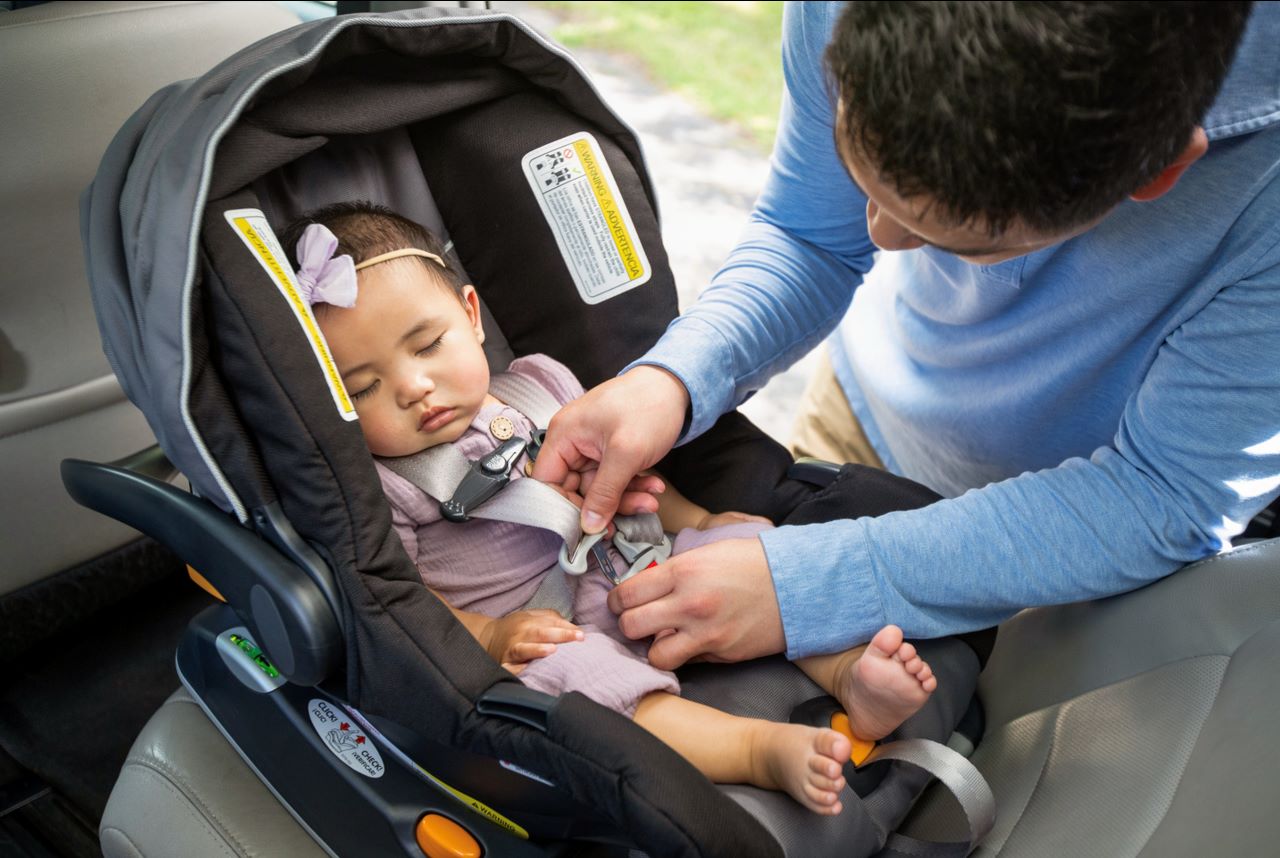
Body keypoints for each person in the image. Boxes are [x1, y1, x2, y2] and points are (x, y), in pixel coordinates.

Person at [531, 1, 1280, 671]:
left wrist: (812, 584)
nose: (881, 241)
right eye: (869, 185)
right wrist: (675, 376)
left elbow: (1164, 492)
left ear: (1161, 170)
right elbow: (812, 237)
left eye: (958, 244)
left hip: (1070, 561)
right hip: (860, 424)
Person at [280, 202, 939, 815]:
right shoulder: (384, 486)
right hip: (537, 629)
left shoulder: (540, 386)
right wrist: (487, 638)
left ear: (472, 314)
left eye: (428, 345)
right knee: (581, 687)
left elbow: (630, 476)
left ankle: (849, 673)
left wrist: (699, 524)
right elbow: (408, 601)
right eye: (363, 386)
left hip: (635, 564)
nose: (414, 386)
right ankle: (755, 751)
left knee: (740, 561)